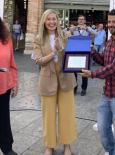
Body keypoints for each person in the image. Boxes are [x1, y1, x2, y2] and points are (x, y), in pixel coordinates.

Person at [82, 9, 115, 155]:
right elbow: (104, 62)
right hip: (107, 93)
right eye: (109, 22)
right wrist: (92, 51)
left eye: (114, 22)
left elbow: (114, 68)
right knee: (103, 129)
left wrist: (92, 74)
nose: (110, 25)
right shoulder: (110, 41)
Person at [33, 9, 77, 155]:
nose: (52, 22)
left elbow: (72, 57)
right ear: (44, 22)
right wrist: (54, 52)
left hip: (66, 80)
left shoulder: (66, 35)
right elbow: (39, 61)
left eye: (54, 19)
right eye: (48, 19)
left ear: (58, 21)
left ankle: (67, 145)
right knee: (48, 115)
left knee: (67, 114)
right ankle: (49, 145)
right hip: (47, 81)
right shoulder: (39, 38)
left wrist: (63, 50)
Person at [0, 17, 18, 155]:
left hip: (3, 86)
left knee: (3, 118)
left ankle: (7, 147)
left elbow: (12, 64)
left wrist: (15, 83)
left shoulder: (6, 40)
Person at [70, 14, 95, 96]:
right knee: (74, 73)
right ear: (77, 21)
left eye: (82, 19)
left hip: (85, 54)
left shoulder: (88, 29)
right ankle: (74, 88)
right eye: (79, 19)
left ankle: (84, 89)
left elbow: (96, 34)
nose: (81, 21)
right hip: (75, 53)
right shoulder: (74, 29)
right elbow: (64, 34)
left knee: (84, 72)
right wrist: (70, 29)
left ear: (84, 21)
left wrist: (87, 28)